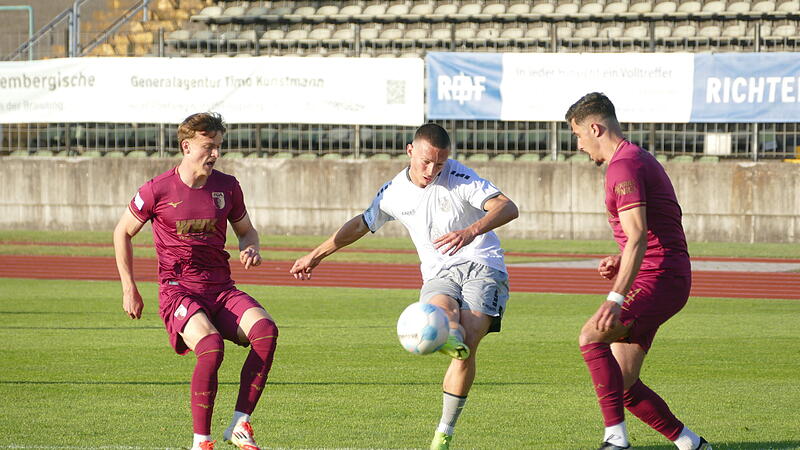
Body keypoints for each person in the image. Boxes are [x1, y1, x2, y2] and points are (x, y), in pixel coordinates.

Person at [290, 123, 518, 450]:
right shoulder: (393, 191)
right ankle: (448, 334)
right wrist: (316, 254)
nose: (432, 170)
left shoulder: (461, 178)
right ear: (410, 151)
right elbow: (361, 224)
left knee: (467, 340)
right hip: (439, 272)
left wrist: (470, 231)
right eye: (426, 161)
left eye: (439, 163)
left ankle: (444, 430)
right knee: (440, 315)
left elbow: (507, 206)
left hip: (482, 264)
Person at [113, 112, 277, 450]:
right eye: (208, 147)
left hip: (221, 289)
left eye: (218, 147)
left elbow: (246, 231)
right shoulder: (157, 190)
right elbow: (122, 232)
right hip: (179, 291)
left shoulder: (227, 187)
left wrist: (251, 247)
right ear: (187, 146)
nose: (215, 154)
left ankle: (239, 423)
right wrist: (129, 287)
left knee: (266, 332)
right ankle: (201, 442)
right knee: (211, 347)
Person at [566, 92, 711, 450]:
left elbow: (639, 237)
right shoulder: (635, 159)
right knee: (623, 382)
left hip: (660, 276)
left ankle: (616, 440)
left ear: (595, 128)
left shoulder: (624, 166)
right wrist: (620, 258)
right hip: (664, 272)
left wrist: (615, 297)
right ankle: (690, 443)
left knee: (590, 336)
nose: (580, 146)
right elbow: (645, 233)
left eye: (578, 136)